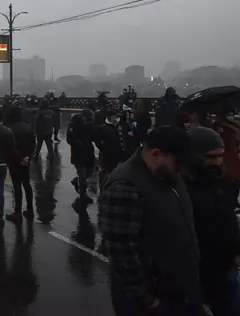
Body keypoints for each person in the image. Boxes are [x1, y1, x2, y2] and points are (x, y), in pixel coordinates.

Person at [100, 126, 208, 316]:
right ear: (156, 155)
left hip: (181, 288)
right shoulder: (125, 187)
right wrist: (149, 301)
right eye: (179, 164)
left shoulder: (168, 175)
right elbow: (122, 254)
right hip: (152, 301)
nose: (182, 170)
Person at [185, 127, 240, 316]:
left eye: (220, 156)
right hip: (197, 273)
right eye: (210, 157)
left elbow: (227, 219)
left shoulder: (221, 181)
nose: (217, 162)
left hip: (225, 269)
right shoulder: (183, 189)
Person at [4, 107, 36, 223]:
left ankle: (17, 212)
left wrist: (18, 158)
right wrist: (27, 157)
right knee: (27, 184)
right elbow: (33, 144)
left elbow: (9, 147)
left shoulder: (9, 128)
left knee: (17, 186)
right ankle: (30, 209)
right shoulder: (28, 127)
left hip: (14, 160)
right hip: (26, 160)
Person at [66, 109, 96, 203]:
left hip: (89, 151)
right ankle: (83, 196)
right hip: (79, 152)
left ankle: (77, 180)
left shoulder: (89, 124)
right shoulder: (74, 124)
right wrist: (78, 144)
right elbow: (70, 138)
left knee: (90, 171)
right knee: (82, 175)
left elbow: (93, 135)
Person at [95, 109, 125, 184]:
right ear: (109, 117)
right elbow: (97, 141)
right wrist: (104, 149)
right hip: (107, 156)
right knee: (106, 172)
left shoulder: (119, 126)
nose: (116, 118)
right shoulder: (103, 128)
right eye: (114, 116)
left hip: (118, 155)